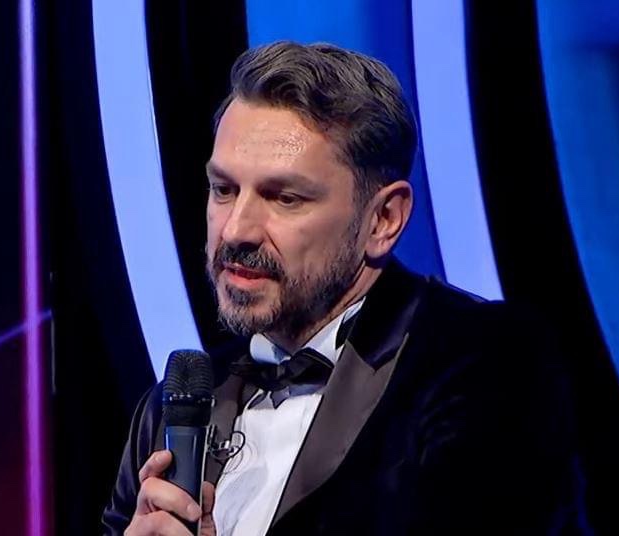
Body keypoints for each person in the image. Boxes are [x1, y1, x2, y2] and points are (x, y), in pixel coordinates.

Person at [102, 41, 584, 535]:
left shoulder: (482, 361)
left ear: (383, 219)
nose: (236, 230)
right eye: (224, 190)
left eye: (284, 197)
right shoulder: (170, 411)